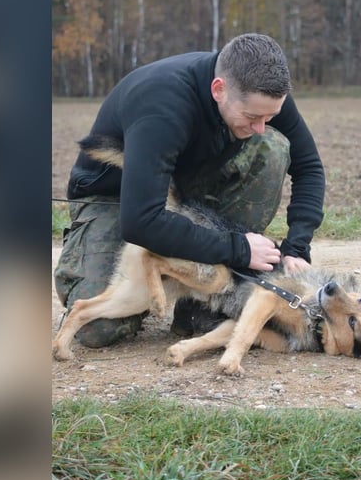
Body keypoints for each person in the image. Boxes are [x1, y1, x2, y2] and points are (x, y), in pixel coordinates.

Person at [54, 33, 325, 347]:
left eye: (270, 116)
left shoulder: (262, 93)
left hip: (185, 189)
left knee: (274, 147)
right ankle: (105, 269)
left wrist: (297, 247)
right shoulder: (163, 105)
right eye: (252, 117)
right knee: (97, 330)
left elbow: (309, 166)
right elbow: (141, 219)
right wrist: (237, 248)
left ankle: (199, 302)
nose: (260, 125)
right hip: (116, 198)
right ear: (219, 89)